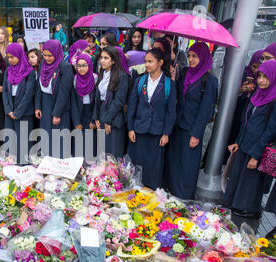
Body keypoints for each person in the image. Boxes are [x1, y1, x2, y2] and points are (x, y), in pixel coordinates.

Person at [164, 42, 218, 200]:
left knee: (187, 165)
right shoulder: (185, 72)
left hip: (192, 128)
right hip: (178, 124)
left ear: (203, 57)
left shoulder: (210, 80)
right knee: (174, 160)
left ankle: (184, 196)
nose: (191, 59)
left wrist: (196, 134)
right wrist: (174, 79)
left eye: (195, 56)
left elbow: (206, 110)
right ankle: (171, 191)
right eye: (189, 56)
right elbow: (178, 97)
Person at [224, 60, 276, 219]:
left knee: (250, 182)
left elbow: (271, 131)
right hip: (245, 144)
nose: (261, 80)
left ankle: (247, 210)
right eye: (259, 75)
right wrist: (237, 142)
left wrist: (255, 155)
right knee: (239, 177)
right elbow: (245, 121)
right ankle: (235, 205)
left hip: (257, 149)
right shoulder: (256, 94)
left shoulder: (274, 100)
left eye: (266, 77)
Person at [127, 48, 177, 190]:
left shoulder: (169, 84)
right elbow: (132, 106)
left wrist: (166, 133)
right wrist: (131, 128)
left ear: (160, 62)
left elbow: (171, 112)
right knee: (136, 164)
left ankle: (150, 193)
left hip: (157, 132)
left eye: (150, 61)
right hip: (139, 129)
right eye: (146, 61)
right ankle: (133, 191)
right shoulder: (139, 81)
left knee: (153, 166)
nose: (147, 65)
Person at [35, 39, 73, 158]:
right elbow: (38, 87)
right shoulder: (42, 65)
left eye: (50, 55)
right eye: (44, 55)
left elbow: (64, 92)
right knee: (46, 135)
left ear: (57, 53)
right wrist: (37, 106)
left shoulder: (65, 67)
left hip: (58, 106)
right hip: (45, 104)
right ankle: (47, 163)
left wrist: (57, 114)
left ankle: (60, 166)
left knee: (59, 137)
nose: (47, 58)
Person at [92, 46, 129, 158]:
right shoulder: (102, 74)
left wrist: (108, 120)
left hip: (114, 116)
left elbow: (119, 101)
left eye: (106, 58)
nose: (102, 61)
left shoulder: (121, 76)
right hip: (102, 112)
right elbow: (97, 97)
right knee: (102, 151)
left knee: (112, 151)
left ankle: (113, 175)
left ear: (113, 60)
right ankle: (104, 175)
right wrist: (96, 117)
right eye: (101, 58)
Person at [2, 43, 36, 163]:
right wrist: (9, 110)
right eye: (8, 57)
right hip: (11, 112)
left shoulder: (29, 72)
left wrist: (18, 112)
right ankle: (12, 165)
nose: (10, 60)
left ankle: (24, 167)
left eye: (13, 57)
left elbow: (29, 94)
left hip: (24, 113)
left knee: (24, 141)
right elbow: (5, 91)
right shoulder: (8, 70)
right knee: (12, 141)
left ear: (19, 55)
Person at [71, 53, 98, 157]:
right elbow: (73, 102)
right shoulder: (74, 79)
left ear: (90, 65)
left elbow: (97, 102)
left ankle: (91, 167)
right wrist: (76, 121)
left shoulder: (95, 79)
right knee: (79, 142)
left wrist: (93, 120)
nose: (81, 69)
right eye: (79, 65)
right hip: (79, 113)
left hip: (91, 112)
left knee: (91, 141)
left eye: (84, 65)